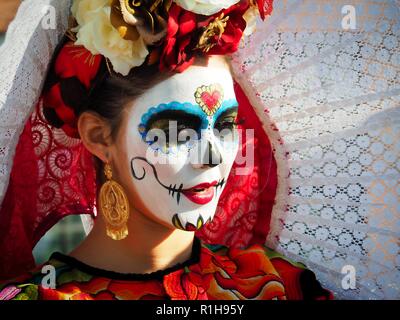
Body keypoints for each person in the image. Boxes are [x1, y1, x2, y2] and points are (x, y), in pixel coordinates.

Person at [0, 0, 333, 300]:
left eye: (224, 126)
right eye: (178, 132)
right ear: (99, 136)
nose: (213, 157)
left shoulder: (280, 287)